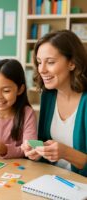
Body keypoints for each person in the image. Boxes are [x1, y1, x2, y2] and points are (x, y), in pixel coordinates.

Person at [21, 30, 87, 176]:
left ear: (72, 63)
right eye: (39, 62)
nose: (42, 69)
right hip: (52, 180)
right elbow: (45, 143)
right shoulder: (48, 96)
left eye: (50, 62)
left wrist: (66, 153)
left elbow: (64, 153)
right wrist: (38, 152)